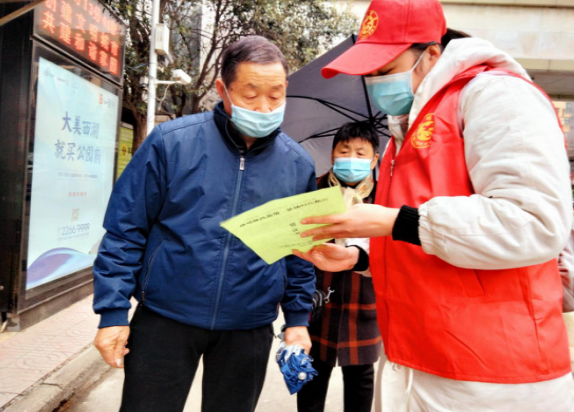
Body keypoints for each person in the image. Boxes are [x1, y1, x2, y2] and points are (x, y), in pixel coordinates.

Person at [293, 0, 574, 411]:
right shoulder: (404, 130)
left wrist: (394, 222)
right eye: (368, 75)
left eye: (385, 70)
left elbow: (534, 222)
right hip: (418, 355)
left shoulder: (496, 94)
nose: (375, 83)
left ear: (430, 54)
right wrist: (357, 257)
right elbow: (421, 237)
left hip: (492, 374)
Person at [92, 36, 316, 412]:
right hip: (165, 317)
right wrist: (112, 312)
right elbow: (125, 229)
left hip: (249, 325)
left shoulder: (297, 164)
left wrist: (297, 319)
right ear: (222, 89)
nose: (264, 107)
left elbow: (299, 252)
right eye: (250, 95)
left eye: (275, 95)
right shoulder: (171, 143)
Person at [297, 122, 381, 412]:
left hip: (365, 296)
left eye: (360, 153)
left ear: (374, 160)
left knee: (361, 375)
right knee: (312, 372)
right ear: (333, 154)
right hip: (318, 295)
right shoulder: (313, 190)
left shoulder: (383, 197)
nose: (351, 159)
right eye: (344, 152)